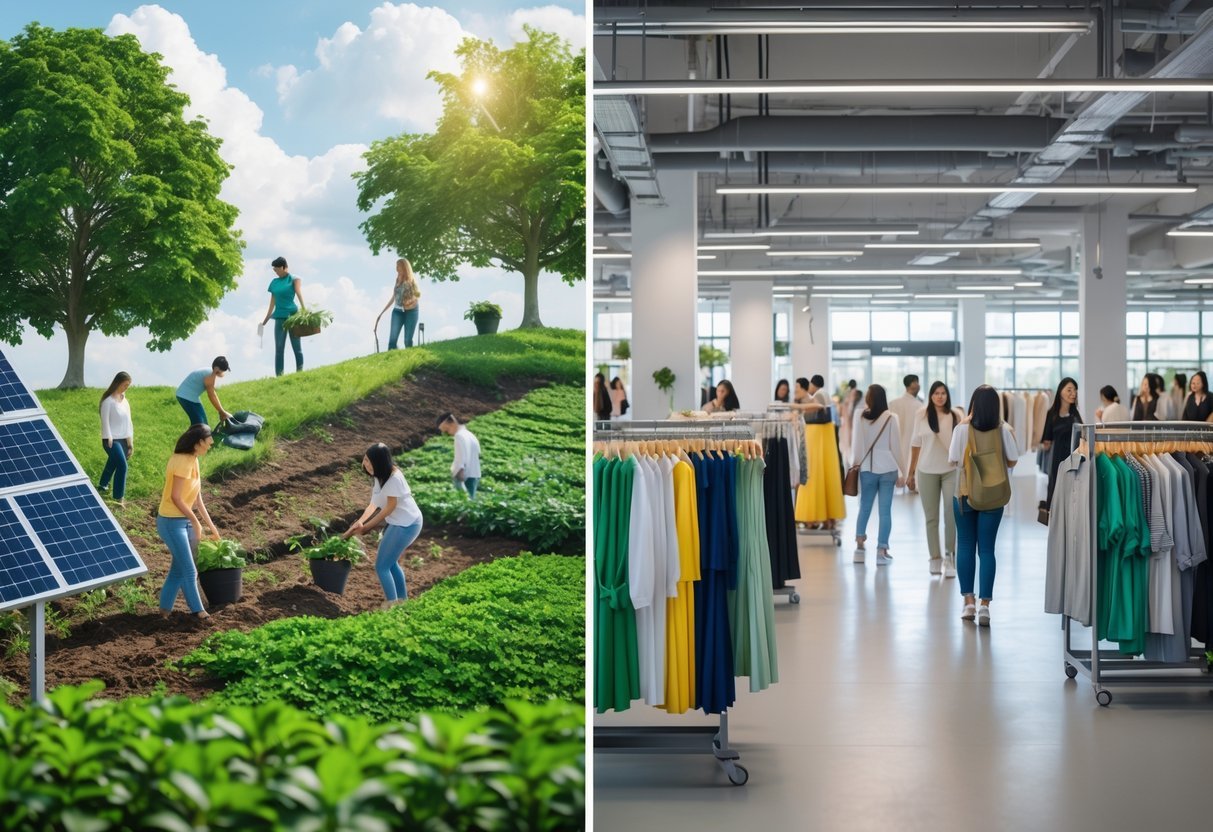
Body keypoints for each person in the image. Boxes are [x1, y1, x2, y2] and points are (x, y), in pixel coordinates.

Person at [949, 385, 1018, 626]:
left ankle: (968, 602)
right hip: (994, 496)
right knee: (987, 550)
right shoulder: (1004, 430)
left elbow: (953, 460)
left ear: (973, 404)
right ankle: (985, 607)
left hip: (964, 494)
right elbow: (1012, 460)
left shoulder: (962, 429)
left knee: (966, 545)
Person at [343, 443, 423, 607]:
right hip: (401, 522)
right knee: (391, 563)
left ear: (379, 462)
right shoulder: (380, 476)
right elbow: (373, 505)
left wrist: (366, 527)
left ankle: (392, 606)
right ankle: (402, 603)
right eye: (365, 459)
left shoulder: (393, 479)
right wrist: (360, 521)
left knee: (382, 566)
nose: (365, 463)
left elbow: (388, 509)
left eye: (369, 461)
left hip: (407, 524)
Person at [157, 424, 220, 620]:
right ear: (198, 442)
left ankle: (163, 613)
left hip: (185, 521)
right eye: (208, 442)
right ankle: (199, 612)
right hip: (171, 522)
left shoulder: (194, 460)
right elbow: (176, 497)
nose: (211, 445)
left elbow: (197, 498)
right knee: (189, 569)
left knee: (178, 570)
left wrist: (211, 526)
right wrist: (195, 521)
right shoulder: (181, 462)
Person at [908, 381, 964, 578]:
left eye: (943, 393)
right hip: (926, 471)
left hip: (950, 470)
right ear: (931, 395)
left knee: (951, 515)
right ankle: (935, 557)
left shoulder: (956, 415)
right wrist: (910, 472)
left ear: (947, 395)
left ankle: (950, 557)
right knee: (931, 518)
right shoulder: (921, 415)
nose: (940, 396)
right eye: (936, 393)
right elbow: (915, 443)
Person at [850, 384, 904, 565]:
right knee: (885, 511)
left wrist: (854, 464)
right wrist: (903, 470)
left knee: (864, 507)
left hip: (867, 468)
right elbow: (895, 446)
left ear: (869, 398)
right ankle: (881, 551)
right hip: (888, 468)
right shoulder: (891, 418)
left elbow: (857, 444)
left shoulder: (860, 416)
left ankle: (859, 547)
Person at [260, 256, 306, 376]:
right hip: (279, 317)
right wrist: (266, 318)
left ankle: (300, 372)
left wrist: (304, 310)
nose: (275, 272)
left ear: (283, 267)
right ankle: (279, 375)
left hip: (293, 315)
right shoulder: (274, 283)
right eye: (274, 270)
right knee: (279, 348)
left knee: (297, 346)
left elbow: (299, 293)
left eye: (276, 269)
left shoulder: (294, 279)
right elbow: (272, 302)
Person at [1040, 377, 1081, 509]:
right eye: (1069, 390)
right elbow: (1046, 442)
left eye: (1075, 390)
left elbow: (1083, 436)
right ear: (1060, 392)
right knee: (1056, 493)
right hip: (1057, 460)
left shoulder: (1075, 415)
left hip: (1074, 459)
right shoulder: (1051, 414)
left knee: (1072, 496)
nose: (1073, 393)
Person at [97, 372, 134, 507]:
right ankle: (119, 499)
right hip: (111, 440)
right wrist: (109, 438)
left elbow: (128, 422)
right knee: (122, 466)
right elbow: (105, 422)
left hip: (124, 440)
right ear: (117, 383)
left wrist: (130, 443)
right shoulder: (108, 402)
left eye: (128, 385)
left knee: (113, 463)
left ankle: (102, 485)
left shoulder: (125, 401)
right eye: (125, 385)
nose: (126, 388)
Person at [375, 258, 421, 350]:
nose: (396, 268)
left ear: (404, 267)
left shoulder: (412, 281)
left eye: (398, 266)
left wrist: (411, 301)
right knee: (392, 342)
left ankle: (409, 360)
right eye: (396, 266)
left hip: (411, 312)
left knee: (407, 341)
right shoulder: (397, 279)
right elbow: (394, 297)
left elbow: (418, 295)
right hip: (398, 312)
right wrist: (382, 313)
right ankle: (391, 361)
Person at [888, 374, 924, 489]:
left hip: (896, 442)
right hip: (913, 442)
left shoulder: (893, 403)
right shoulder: (919, 406)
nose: (919, 385)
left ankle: (900, 480)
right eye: (917, 382)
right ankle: (911, 481)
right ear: (912, 384)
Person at [175, 357, 231, 427]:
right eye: (222, 371)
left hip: (191, 397)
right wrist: (222, 412)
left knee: (203, 425)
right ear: (217, 369)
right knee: (201, 426)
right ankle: (194, 437)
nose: (223, 373)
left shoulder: (210, 372)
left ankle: (195, 437)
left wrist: (221, 412)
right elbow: (211, 395)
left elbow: (213, 391)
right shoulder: (210, 375)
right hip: (186, 397)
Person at [437, 413, 481, 498]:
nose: (448, 433)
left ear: (451, 423)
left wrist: (459, 477)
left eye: (446, 430)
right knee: (471, 502)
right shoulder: (469, 434)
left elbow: (461, 458)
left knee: (465, 504)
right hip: (475, 474)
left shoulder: (459, 436)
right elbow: (478, 453)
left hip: (465, 476)